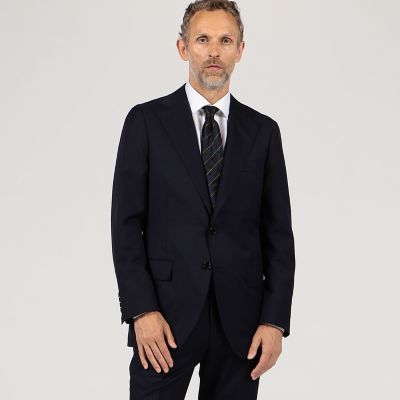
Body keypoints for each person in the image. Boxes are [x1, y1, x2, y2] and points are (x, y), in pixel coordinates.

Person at [111, 1, 296, 398]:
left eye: (225, 41)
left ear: (240, 50)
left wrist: (274, 321)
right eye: (203, 40)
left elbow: (279, 235)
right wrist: (141, 310)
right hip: (164, 319)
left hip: (241, 324)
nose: (214, 51)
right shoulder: (146, 123)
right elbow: (125, 226)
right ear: (183, 48)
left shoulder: (263, 133)